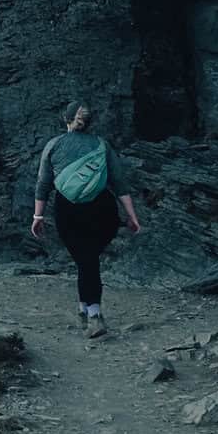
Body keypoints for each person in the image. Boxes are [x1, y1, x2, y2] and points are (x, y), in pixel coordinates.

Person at [31, 101, 142, 338]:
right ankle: (87, 309)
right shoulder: (102, 146)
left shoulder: (53, 145)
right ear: (89, 121)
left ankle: (93, 314)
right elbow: (119, 183)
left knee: (86, 260)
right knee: (88, 260)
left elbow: (43, 184)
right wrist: (131, 217)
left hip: (67, 211)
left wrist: (38, 216)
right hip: (102, 210)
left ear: (66, 119)